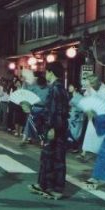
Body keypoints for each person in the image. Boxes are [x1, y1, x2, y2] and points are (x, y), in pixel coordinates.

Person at [27, 61, 70, 200]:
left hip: (55, 128)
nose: (45, 74)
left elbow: (55, 111)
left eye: (46, 72)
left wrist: (52, 128)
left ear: (51, 72)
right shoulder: (59, 87)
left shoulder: (55, 88)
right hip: (57, 127)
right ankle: (44, 184)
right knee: (47, 157)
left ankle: (56, 188)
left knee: (55, 158)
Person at [77, 74, 105, 163]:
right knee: (90, 134)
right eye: (91, 84)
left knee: (100, 136)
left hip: (103, 115)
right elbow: (87, 101)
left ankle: (98, 154)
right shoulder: (89, 90)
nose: (92, 85)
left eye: (93, 83)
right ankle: (85, 152)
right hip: (92, 115)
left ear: (99, 82)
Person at [67, 83, 85, 153]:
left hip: (76, 116)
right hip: (71, 115)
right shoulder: (71, 96)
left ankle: (75, 147)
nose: (69, 87)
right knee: (71, 131)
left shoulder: (79, 97)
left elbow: (82, 107)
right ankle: (71, 146)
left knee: (76, 132)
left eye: (71, 86)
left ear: (75, 88)